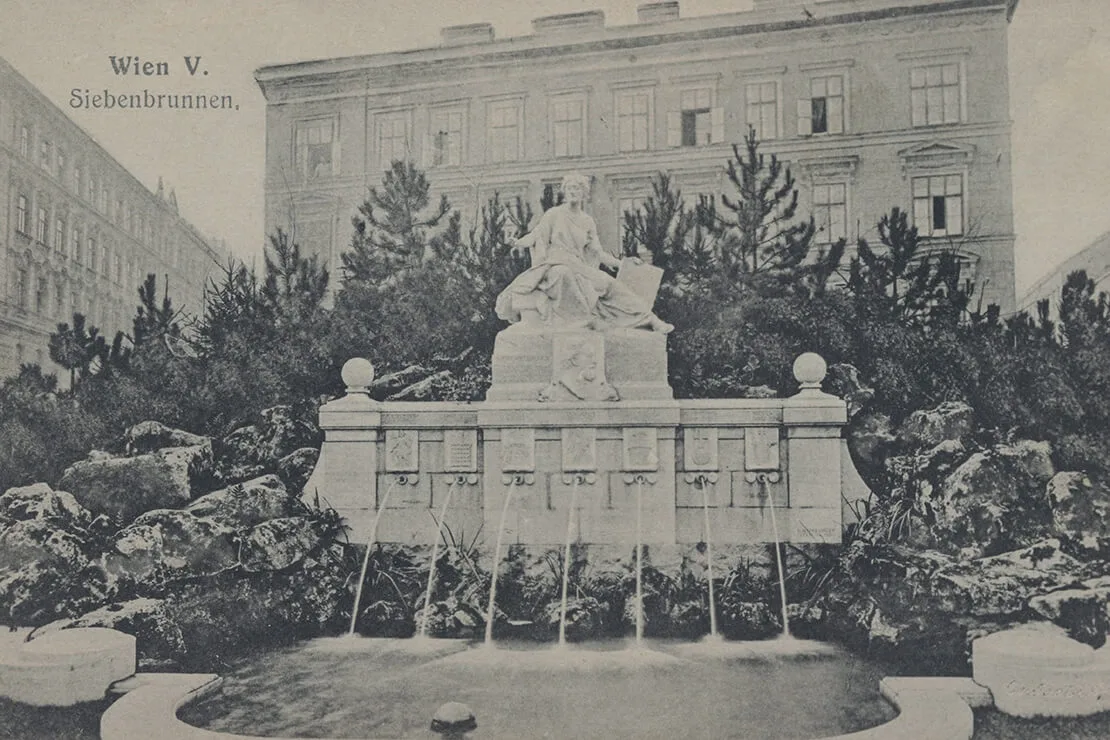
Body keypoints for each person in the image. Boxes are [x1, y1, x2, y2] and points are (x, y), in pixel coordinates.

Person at [495, 173, 673, 333]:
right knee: (563, 274)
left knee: (610, 284)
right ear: (565, 191)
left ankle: (650, 319)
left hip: (579, 266)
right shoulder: (554, 214)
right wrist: (517, 242)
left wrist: (623, 264)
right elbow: (536, 235)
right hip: (554, 265)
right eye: (570, 187)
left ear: (584, 193)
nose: (574, 191)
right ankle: (585, 321)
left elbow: (598, 252)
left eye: (578, 188)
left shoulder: (587, 221)